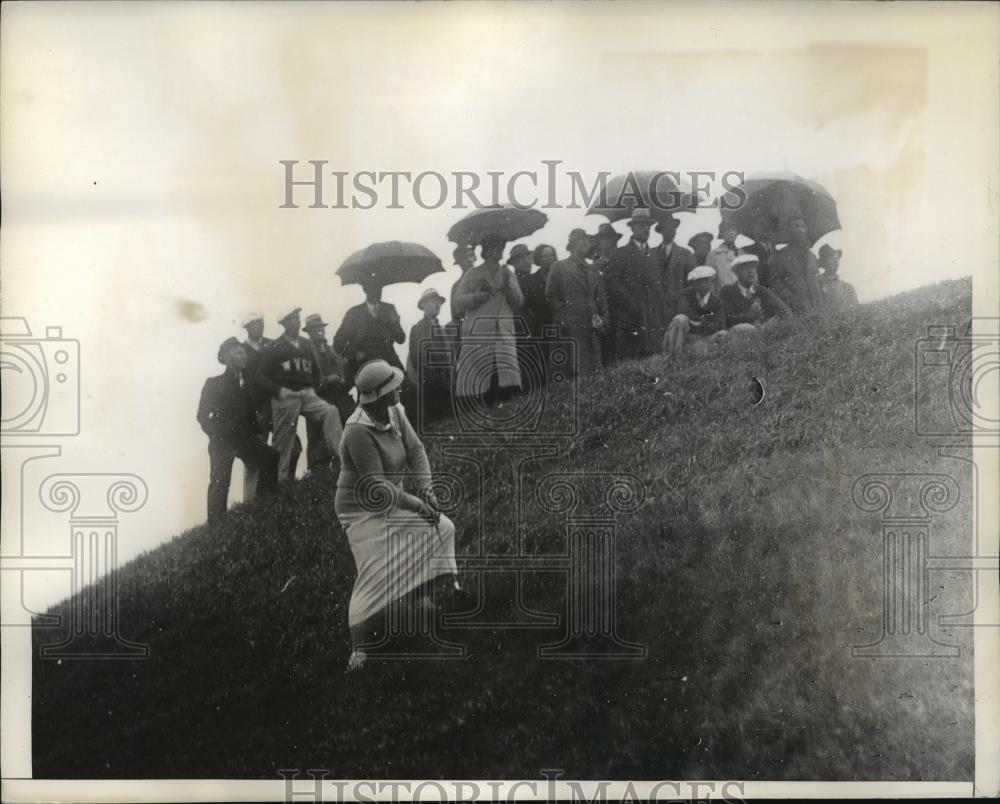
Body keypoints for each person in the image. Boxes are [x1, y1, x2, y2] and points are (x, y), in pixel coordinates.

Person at [335, 360, 459, 670]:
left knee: (442, 529)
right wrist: (418, 505)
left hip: (394, 500)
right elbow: (377, 487)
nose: (398, 391)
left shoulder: (395, 412)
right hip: (361, 512)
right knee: (373, 576)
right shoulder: (357, 432)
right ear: (375, 397)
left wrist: (427, 489)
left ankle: (422, 598)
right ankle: (359, 652)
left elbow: (416, 451)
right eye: (392, 388)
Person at [257, 307, 344, 483]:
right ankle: (278, 485)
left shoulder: (306, 343)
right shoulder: (275, 346)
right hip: (286, 396)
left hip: (306, 393)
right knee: (283, 444)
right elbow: (260, 375)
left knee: (331, 411)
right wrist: (278, 390)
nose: (297, 321)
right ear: (285, 324)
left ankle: (342, 460)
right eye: (293, 319)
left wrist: (314, 386)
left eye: (298, 318)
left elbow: (316, 371)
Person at [198, 337, 278, 524]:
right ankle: (216, 525)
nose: (244, 356)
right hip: (222, 440)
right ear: (226, 357)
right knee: (220, 480)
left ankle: (263, 507)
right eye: (239, 352)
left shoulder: (246, 384)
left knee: (270, 457)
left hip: (243, 438)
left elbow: (250, 416)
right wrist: (216, 433)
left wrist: (257, 433)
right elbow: (202, 417)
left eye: (244, 352)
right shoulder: (213, 383)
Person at [451, 234, 525, 406]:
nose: (498, 251)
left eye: (500, 247)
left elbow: (519, 302)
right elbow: (457, 302)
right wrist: (478, 296)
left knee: (506, 375)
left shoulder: (507, 272)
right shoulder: (473, 273)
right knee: (482, 376)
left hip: (503, 332)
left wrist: (510, 286)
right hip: (480, 332)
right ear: (485, 251)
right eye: (494, 247)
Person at [243, 312, 301, 487]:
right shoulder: (241, 350)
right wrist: (253, 410)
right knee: (254, 455)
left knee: (293, 446)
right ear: (246, 327)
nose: (260, 326)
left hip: (277, 404)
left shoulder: (272, 344)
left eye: (261, 322)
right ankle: (251, 501)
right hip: (256, 408)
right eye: (254, 323)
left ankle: (282, 487)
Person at [604, 208, 665, 360]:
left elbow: (658, 285)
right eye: (641, 225)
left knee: (654, 360)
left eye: (648, 225)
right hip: (629, 318)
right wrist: (632, 304)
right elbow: (612, 282)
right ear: (632, 227)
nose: (646, 228)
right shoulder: (620, 253)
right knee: (632, 362)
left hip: (652, 320)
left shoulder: (655, 255)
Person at [546, 229, 608, 376]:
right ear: (573, 245)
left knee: (592, 376)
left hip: (591, 332)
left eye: (588, 239)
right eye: (582, 239)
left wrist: (602, 319)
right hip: (569, 332)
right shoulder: (559, 267)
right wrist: (565, 317)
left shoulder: (593, 270)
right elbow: (550, 297)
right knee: (570, 376)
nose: (587, 242)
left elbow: (601, 301)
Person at [302, 313, 355, 472]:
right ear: (309, 332)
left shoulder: (333, 350)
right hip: (319, 397)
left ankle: (346, 465)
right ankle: (319, 471)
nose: (319, 331)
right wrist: (326, 380)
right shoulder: (306, 352)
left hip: (339, 396)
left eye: (320, 328)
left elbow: (343, 371)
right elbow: (307, 379)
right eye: (314, 329)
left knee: (350, 425)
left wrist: (343, 379)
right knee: (317, 437)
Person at [332, 278, 407, 386]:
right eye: (373, 288)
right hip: (364, 362)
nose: (377, 291)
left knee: (409, 387)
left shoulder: (389, 309)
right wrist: (355, 354)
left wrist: (395, 324)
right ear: (365, 290)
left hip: (388, 359)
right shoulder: (354, 313)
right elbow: (338, 342)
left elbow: (401, 339)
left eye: (379, 288)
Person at [405, 288, 456, 424]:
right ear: (424, 306)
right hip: (428, 390)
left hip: (445, 387)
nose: (436, 304)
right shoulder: (418, 329)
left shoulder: (442, 330)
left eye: (438, 301)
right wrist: (440, 381)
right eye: (432, 301)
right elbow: (419, 360)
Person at [719, 254, 791, 339]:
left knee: (781, 319)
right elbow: (728, 319)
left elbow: (784, 309)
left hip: (762, 330)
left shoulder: (760, 289)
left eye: (753, 267)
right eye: (745, 268)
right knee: (746, 328)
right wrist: (751, 316)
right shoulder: (728, 291)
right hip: (740, 335)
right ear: (737, 273)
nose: (751, 271)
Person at [663, 265, 729, 357]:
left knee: (723, 334)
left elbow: (720, 324)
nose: (703, 284)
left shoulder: (717, 301)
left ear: (712, 283)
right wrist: (700, 319)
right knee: (680, 319)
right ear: (694, 284)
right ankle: (672, 356)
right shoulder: (686, 294)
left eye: (707, 281)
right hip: (687, 336)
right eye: (699, 281)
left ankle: (716, 361)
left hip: (705, 336)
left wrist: (701, 324)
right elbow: (683, 310)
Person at [768, 216, 824, 314]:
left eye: (802, 226)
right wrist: (793, 300)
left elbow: (818, 280)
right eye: (796, 226)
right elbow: (776, 283)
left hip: (816, 309)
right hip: (794, 308)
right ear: (789, 231)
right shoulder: (780, 255)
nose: (800, 230)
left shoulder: (811, 256)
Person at [655, 215, 698, 331]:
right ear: (661, 231)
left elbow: (694, 283)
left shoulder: (686, 254)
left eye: (673, 227)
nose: (670, 230)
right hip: (656, 309)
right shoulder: (651, 253)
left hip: (679, 307)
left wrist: (678, 295)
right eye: (667, 227)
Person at [591, 224, 621, 364]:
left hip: (621, 313)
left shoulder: (622, 260)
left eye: (613, 240)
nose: (610, 243)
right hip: (604, 313)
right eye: (605, 239)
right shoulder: (593, 267)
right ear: (598, 243)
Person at [818, 244, 859, 309]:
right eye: (831, 257)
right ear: (823, 262)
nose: (835, 261)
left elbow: (857, 310)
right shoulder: (817, 285)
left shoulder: (848, 288)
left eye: (836, 258)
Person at [741, 214, 777, 287]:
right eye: (761, 224)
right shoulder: (747, 250)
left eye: (768, 224)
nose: (765, 227)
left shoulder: (776, 248)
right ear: (753, 228)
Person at [448, 244, 478, 331]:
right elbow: (455, 317)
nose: (469, 260)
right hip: (468, 332)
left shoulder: (485, 278)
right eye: (464, 258)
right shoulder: (456, 286)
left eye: (471, 256)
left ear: (475, 258)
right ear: (459, 263)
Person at [707, 221, 740, 288]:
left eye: (733, 229)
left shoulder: (743, 254)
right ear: (722, 233)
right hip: (723, 295)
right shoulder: (714, 255)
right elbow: (709, 280)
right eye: (727, 230)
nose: (731, 232)